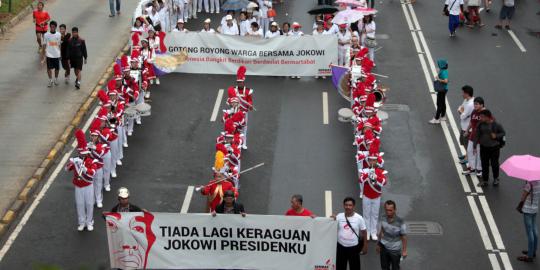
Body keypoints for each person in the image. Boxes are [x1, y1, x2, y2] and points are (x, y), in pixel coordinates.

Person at [67, 130, 97, 232]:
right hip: (78, 186)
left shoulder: (91, 161)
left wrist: (85, 169)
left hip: (88, 185)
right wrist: (72, 163)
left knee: (89, 204)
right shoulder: (76, 160)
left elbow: (93, 172)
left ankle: (89, 222)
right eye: (82, 154)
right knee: (80, 204)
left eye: (85, 154)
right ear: (79, 152)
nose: (84, 155)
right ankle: (81, 222)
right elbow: (66, 169)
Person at [332, 197, 368, 270]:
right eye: (346, 205)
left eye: (350, 205)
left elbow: (364, 232)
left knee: (355, 267)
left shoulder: (359, 218)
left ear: (353, 206)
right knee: (340, 267)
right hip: (341, 247)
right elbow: (329, 225)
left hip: (354, 248)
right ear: (343, 205)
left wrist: (365, 246)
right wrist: (330, 220)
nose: (348, 207)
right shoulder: (339, 216)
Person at [474, 109, 505, 187]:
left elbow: (503, 133)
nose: (480, 118)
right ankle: (485, 180)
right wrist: (474, 146)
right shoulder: (480, 124)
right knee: (484, 164)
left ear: (487, 117)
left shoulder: (496, 124)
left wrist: (496, 136)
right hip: (483, 147)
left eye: (482, 117)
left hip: (494, 147)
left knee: (494, 163)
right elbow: (477, 135)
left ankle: (496, 178)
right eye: (480, 117)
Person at [377, 200, 408, 270]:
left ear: (395, 210)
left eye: (390, 210)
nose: (388, 212)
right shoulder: (383, 218)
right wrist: (378, 244)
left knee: (395, 268)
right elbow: (381, 231)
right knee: (384, 267)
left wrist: (404, 250)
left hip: (395, 250)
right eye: (386, 210)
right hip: (384, 247)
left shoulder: (400, 221)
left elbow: (404, 236)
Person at [463, 97, 485, 177]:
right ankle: (472, 168)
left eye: (477, 104)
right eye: (474, 104)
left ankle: (480, 169)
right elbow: (471, 122)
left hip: (481, 138)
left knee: (479, 154)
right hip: (473, 135)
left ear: (482, 105)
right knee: (469, 151)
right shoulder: (474, 112)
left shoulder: (485, 113)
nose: (475, 105)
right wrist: (467, 131)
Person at [517, 181, 539, 262]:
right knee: (534, 230)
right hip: (535, 209)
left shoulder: (529, 185)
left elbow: (523, 197)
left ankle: (529, 256)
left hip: (527, 210)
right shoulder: (539, 183)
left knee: (530, 233)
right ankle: (533, 251)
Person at [457, 85, 474, 163]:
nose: (462, 94)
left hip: (468, 128)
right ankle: (467, 154)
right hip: (463, 126)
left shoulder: (471, 105)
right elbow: (460, 107)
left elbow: (463, 116)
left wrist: (461, 111)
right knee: (462, 141)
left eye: (463, 93)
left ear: (467, 94)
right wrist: (461, 110)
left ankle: (468, 158)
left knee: (467, 143)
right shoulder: (465, 101)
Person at [42, 21, 61, 87]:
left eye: (53, 27)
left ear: (55, 27)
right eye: (51, 27)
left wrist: (60, 54)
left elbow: (59, 44)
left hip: (56, 54)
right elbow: (44, 45)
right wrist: (43, 55)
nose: (52, 28)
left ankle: (56, 79)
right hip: (49, 54)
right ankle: (50, 80)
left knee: (57, 68)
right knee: (49, 68)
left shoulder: (58, 34)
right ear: (50, 27)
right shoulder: (46, 35)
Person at [429, 59, 449, 124]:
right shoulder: (443, 70)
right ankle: (443, 116)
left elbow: (446, 81)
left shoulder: (443, 72)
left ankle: (436, 118)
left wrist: (438, 79)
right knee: (443, 103)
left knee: (439, 104)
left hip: (442, 90)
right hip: (444, 89)